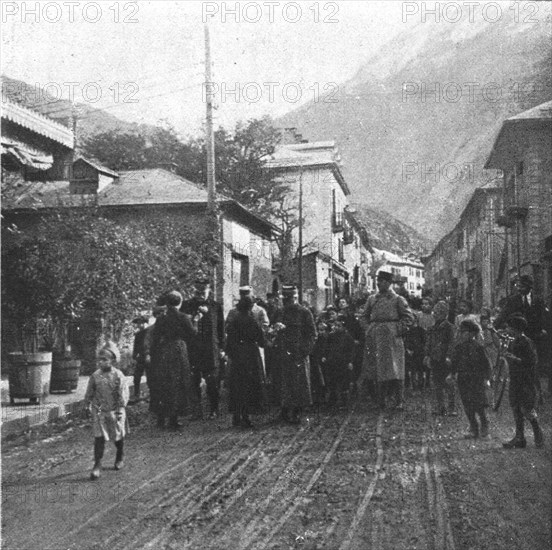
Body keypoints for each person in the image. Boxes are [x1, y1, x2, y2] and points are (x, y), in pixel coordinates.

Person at [361, 270, 415, 410]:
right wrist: (369, 329)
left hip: (392, 338)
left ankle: (399, 400)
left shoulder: (398, 299)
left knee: (396, 369)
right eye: (378, 281)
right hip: (375, 337)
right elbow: (363, 317)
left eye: (383, 281)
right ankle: (381, 400)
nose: (379, 284)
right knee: (377, 369)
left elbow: (409, 318)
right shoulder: (372, 299)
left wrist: (398, 330)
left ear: (389, 283)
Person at [495, 275, 551, 402]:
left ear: (529, 287)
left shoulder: (538, 300)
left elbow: (544, 316)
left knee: (533, 364)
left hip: (535, 336)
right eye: (518, 286)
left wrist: (544, 329)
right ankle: (519, 393)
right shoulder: (513, 300)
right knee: (516, 363)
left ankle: (537, 392)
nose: (519, 289)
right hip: (518, 337)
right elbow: (503, 314)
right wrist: (493, 326)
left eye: (522, 286)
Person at [152, 290, 199, 430]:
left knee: (164, 382)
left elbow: (155, 336)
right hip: (178, 349)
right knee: (178, 383)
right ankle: (173, 419)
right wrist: (195, 321)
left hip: (164, 350)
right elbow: (192, 334)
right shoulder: (184, 317)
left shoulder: (161, 318)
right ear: (180, 302)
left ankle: (161, 418)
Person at [84, 343, 129, 480]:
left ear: (113, 361)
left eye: (105, 359)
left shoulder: (118, 376)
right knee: (99, 438)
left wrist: (120, 406)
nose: (101, 362)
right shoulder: (95, 376)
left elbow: (123, 394)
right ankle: (97, 465)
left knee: (117, 436)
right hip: (99, 410)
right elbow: (90, 392)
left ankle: (120, 454)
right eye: (100, 360)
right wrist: (87, 404)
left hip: (115, 411)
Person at [181, 279, 225, 419]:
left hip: (210, 350)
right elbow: (183, 327)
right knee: (193, 382)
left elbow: (220, 329)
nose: (200, 294)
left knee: (212, 382)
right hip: (193, 349)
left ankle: (214, 409)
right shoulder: (187, 306)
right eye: (197, 292)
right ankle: (197, 411)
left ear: (209, 291)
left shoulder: (216, 306)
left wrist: (222, 349)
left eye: (203, 292)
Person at [272, 285, 317, 424]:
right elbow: (273, 329)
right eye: (284, 299)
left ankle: (297, 412)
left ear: (295, 298)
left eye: (289, 299)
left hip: (299, 353)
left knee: (299, 384)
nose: (286, 302)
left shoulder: (304, 313)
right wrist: (275, 331)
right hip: (283, 352)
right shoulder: (280, 312)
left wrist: (304, 351)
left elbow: (312, 334)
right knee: (284, 383)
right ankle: (285, 410)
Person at [502, 314, 544, 449]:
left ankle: (538, 433)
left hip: (526, 379)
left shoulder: (527, 342)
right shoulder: (513, 342)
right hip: (515, 379)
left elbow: (531, 362)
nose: (507, 329)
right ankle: (519, 438)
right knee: (515, 407)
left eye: (509, 327)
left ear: (516, 328)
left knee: (526, 408)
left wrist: (514, 358)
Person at [225, 295, 266, 428]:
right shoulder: (252, 321)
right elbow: (261, 340)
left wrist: (232, 353)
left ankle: (236, 416)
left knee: (237, 386)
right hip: (250, 355)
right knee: (249, 385)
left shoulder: (234, 321)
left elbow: (228, 341)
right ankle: (246, 417)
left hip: (237, 356)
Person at [450, 319, 492, 439]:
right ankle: (474, 428)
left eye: (465, 332)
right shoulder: (459, 347)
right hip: (463, 379)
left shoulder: (479, 347)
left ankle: (485, 427)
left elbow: (486, 364)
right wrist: (452, 374)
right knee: (467, 405)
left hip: (476, 379)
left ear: (472, 333)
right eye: (461, 332)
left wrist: (486, 379)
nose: (462, 334)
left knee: (479, 405)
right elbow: (455, 362)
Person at [424, 301, 456, 416]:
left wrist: (449, 356)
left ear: (445, 314)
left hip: (445, 359)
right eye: (435, 312)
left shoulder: (449, 328)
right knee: (437, 384)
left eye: (439, 312)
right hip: (435, 358)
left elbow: (452, 343)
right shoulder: (432, 328)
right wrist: (427, 355)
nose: (436, 314)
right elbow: (428, 343)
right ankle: (440, 407)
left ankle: (451, 408)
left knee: (449, 383)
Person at [323, 315, 355, 408]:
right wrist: (325, 356)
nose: (336, 328)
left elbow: (352, 351)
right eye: (335, 325)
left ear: (344, 327)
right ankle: (332, 399)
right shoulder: (331, 336)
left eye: (339, 326)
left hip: (343, 363)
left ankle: (344, 401)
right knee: (332, 381)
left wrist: (350, 362)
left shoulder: (348, 337)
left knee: (344, 382)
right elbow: (327, 347)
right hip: (332, 362)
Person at [336, 297, 364, 396]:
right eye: (340, 302)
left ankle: (353, 384)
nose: (341, 304)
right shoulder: (336, 314)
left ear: (347, 304)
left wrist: (356, 339)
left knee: (352, 363)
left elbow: (355, 328)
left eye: (343, 302)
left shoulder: (350, 315)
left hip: (350, 341)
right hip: (339, 341)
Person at [143, 305, 166, 414]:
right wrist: (148, 354)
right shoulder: (152, 329)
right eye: (160, 313)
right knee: (154, 384)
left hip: (166, 359)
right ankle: (155, 406)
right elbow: (147, 344)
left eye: (164, 313)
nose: (163, 315)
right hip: (155, 359)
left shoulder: (168, 327)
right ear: (156, 315)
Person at [131, 315, 149, 402]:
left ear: (145, 323)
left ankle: (151, 395)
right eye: (138, 323)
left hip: (149, 357)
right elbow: (135, 347)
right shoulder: (138, 334)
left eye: (141, 323)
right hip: (141, 358)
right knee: (137, 376)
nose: (139, 325)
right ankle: (136, 394)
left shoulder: (150, 333)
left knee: (150, 376)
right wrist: (134, 356)